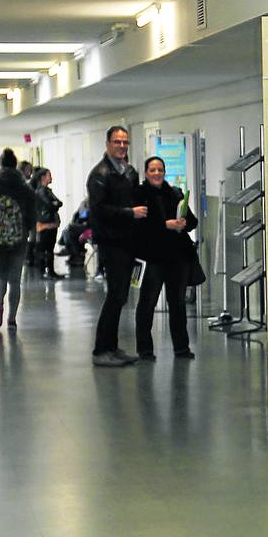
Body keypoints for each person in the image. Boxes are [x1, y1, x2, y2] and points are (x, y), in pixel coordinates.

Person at [87, 125, 146, 366]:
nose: (122, 146)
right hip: (111, 243)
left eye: (125, 142)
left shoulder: (129, 172)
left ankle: (111, 346)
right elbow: (99, 211)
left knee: (121, 295)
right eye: (117, 142)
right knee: (115, 295)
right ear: (108, 144)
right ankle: (101, 350)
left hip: (128, 241)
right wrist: (129, 213)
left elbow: (137, 199)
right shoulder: (100, 174)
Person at [133, 156, 198, 360]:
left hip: (176, 257)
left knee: (177, 303)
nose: (157, 173)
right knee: (147, 303)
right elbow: (137, 228)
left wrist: (182, 223)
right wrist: (165, 226)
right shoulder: (139, 195)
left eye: (160, 170)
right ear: (146, 173)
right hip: (151, 257)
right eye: (152, 170)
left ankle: (181, 348)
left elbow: (192, 222)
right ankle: (144, 350)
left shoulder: (175, 193)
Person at [0, 148, 36, 329]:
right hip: (19, 238)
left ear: (1, 165)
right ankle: (12, 319)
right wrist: (27, 230)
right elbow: (32, 215)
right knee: (15, 279)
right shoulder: (25, 189)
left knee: (0, 276)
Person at [33, 167, 65, 279]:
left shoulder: (47, 191)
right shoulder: (41, 192)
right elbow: (50, 205)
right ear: (43, 177)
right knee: (45, 248)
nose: (51, 177)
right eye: (49, 175)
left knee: (49, 248)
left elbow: (59, 203)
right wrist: (55, 204)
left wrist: (55, 203)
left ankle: (49, 271)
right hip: (45, 223)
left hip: (50, 223)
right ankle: (45, 272)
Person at [58, 198, 90, 266]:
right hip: (87, 226)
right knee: (67, 231)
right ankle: (75, 255)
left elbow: (84, 215)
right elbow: (81, 215)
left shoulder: (91, 203)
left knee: (69, 229)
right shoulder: (87, 202)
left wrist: (84, 212)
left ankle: (72, 252)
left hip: (92, 229)